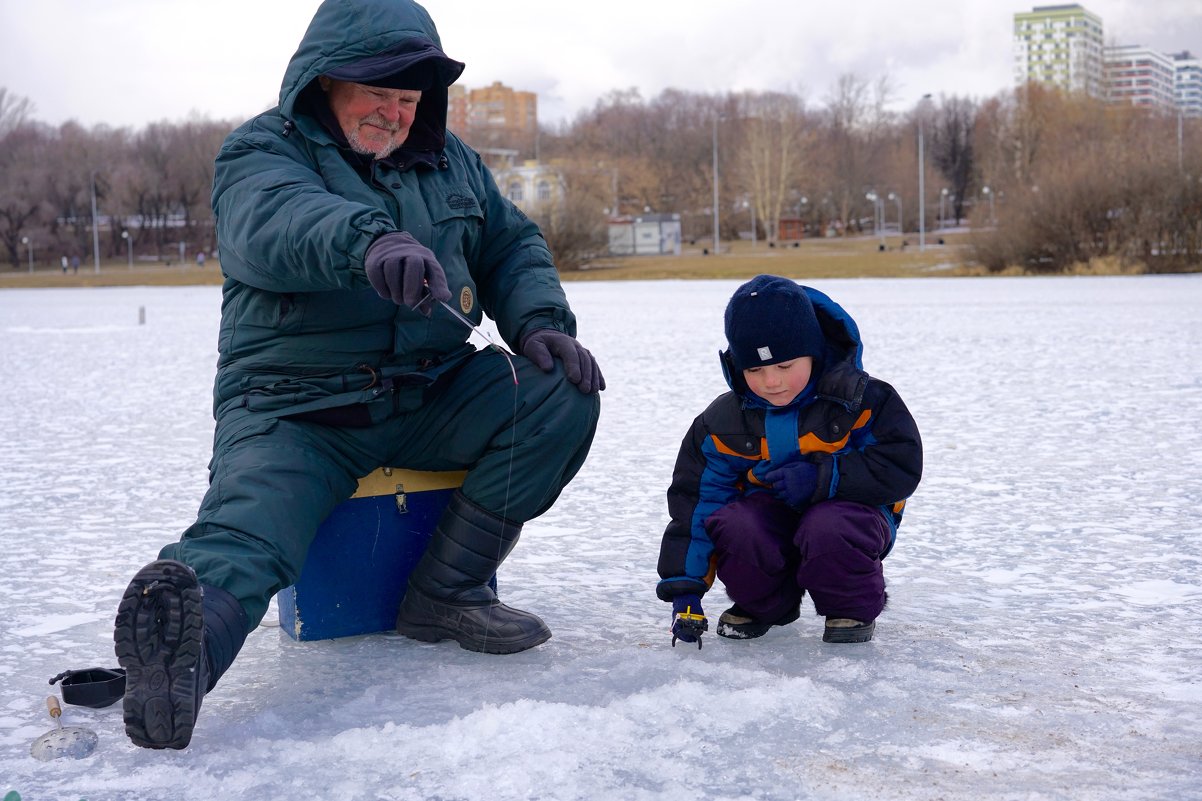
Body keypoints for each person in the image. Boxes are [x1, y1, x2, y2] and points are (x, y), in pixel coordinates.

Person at [112, 0, 603, 750]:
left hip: (430, 388)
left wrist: (539, 322)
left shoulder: (453, 162)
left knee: (558, 393)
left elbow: (511, 245)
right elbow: (273, 222)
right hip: (297, 407)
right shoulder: (261, 152)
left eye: (409, 100)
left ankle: (446, 592)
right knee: (251, 530)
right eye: (377, 94)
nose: (394, 114)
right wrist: (368, 243)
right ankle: (184, 656)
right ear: (324, 82)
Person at [656, 275, 921, 647]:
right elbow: (696, 507)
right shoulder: (721, 423)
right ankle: (766, 605)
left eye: (784, 366)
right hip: (771, 523)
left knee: (828, 525)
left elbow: (899, 466)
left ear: (812, 352)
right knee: (736, 522)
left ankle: (850, 608)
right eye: (754, 370)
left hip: (849, 517)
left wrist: (824, 478)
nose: (771, 382)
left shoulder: (862, 400)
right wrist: (685, 591)